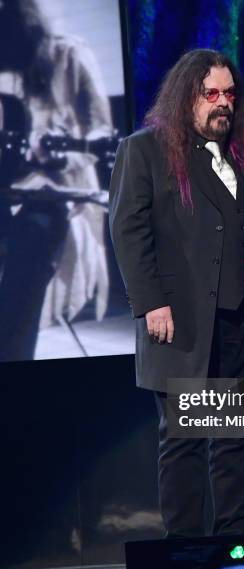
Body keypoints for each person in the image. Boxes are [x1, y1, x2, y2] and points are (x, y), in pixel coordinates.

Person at [109, 49, 244, 537]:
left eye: (229, 94)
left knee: (237, 437)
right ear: (188, 97)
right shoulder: (145, 150)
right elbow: (128, 229)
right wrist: (150, 302)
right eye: (211, 94)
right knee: (184, 437)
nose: (222, 103)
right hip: (181, 318)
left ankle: (234, 544)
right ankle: (185, 547)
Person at [0, 0, 112, 362]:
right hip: (8, 192)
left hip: (61, 199)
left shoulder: (69, 56)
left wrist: (62, 156)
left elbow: (100, 134)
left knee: (35, 233)